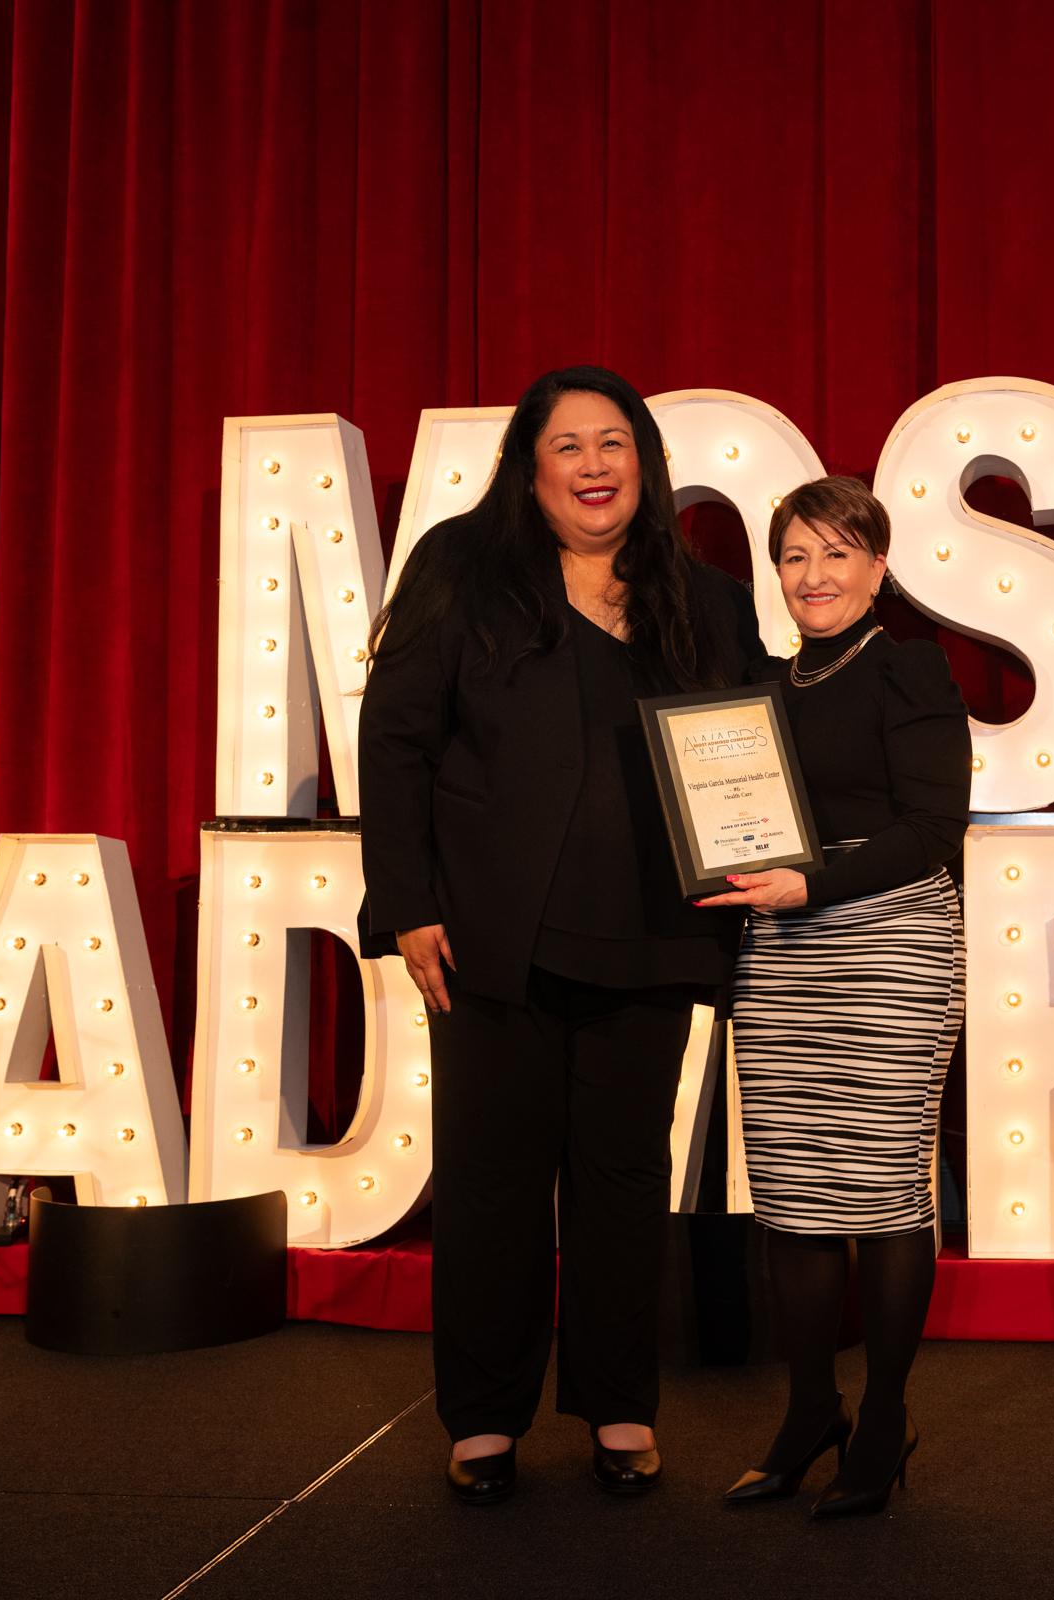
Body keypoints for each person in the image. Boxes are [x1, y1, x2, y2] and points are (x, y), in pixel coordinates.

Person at [358, 365, 765, 1506]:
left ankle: (618, 1406)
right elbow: (394, 744)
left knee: (623, 1181)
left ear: (645, 461)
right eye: (569, 446)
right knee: (491, 1180)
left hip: (653, 932)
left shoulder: (711, 600)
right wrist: (408, 903)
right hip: (492, 934)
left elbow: (749, 760)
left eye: (614, 443)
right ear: (529, 470)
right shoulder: (459, 568)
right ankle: (484, 1417)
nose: (595, 465)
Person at [695, 474, 971, 1518]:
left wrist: (817, 882)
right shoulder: (760, 688)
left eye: (837, 554)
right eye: (795, 556)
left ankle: (886, 1416)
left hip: (887, 937)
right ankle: (811, 1410)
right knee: (794, 1199)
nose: (814, 575)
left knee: (886, 1195)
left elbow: (932, 832)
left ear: (877, 567)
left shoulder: (910, 669)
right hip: (781, 946)